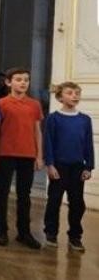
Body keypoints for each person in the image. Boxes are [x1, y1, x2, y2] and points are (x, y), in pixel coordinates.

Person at [0, 67, 43, 249]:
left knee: (25, 195)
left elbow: (37, 131)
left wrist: (39, 155)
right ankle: (1, 230)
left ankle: (24, 232)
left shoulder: (34, 105)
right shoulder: (0, 104)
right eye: (19, 79)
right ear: (8, 82)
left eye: (26, 80)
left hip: (27, 154)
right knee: (2, 192)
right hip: (5, 153)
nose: (23, 83)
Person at [43, 82, 94, 252]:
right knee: (54, 200)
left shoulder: (85, 119)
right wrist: (50, 164)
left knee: (77, 203)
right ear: (60, 97)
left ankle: (75, 236)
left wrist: (89, 166)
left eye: (77, 93)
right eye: (70, 92)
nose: (74, 95)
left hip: (78, 168)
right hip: (58, 166)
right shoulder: (53, 118)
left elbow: (88, 144)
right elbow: (48, 143)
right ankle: (51, 233)